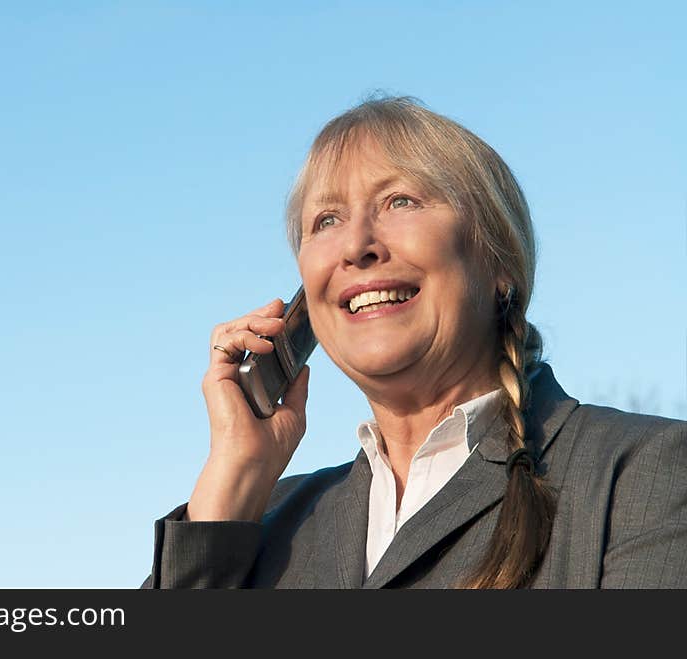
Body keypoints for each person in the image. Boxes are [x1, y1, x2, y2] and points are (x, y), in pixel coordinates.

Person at [143, 96, 687, 589]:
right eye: (327, 219)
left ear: (499, 263)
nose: (356, 246)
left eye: (400, 201)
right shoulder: (258, 527)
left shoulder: (639, 474)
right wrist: (232, 482)